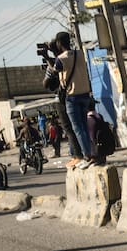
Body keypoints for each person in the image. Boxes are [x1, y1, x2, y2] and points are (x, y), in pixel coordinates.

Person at [48, 31, 95, 168]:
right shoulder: (80, 54)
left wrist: (48, 56)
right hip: (85, 95)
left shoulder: (61, 59)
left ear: (58, 43)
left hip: (72, 97)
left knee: (77, 128)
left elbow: (54, 70)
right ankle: (91, 153)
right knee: (84, 127)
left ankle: (87, 155)